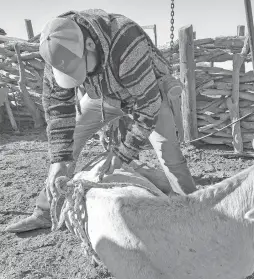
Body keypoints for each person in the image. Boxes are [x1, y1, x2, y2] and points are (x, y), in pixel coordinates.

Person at [5, 9, 197, 233]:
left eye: (80, 69)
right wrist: (59, 159)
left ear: (88, 45)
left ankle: (195, 209)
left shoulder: (125, 40)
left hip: (143, 95)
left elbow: (148, 106)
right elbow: (58, 108)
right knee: (69, 143)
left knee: (168, 151)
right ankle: (45, 211)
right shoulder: (56, 50)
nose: (81, 78)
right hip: (101, 96)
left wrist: (122, 154)